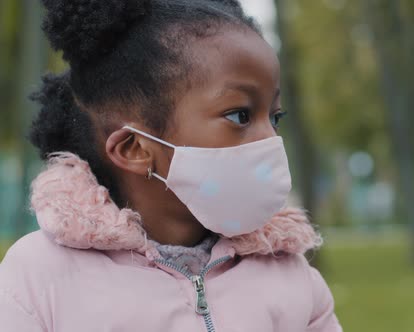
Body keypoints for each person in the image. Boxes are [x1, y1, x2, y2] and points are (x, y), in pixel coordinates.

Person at [0, 1, 342, 331]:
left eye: (275, 117)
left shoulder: (292, 278)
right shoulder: (39, 279)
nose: (270, 140)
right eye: (240, 115)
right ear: (135, 148)